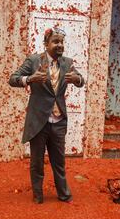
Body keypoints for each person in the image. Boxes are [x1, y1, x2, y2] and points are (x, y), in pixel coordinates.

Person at [8, 27, 85, 204]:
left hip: (58, 122)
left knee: (59, 162)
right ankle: (38, 195)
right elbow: (13, 78)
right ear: (46, 44)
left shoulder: (67, 63)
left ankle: (64, 194)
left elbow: (81, 80)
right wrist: (29, 79)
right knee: (36, 162)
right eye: (55, 42)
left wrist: (78, 80)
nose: (60, 45)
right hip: (38, 122)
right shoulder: (34, 60)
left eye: (62, 42)